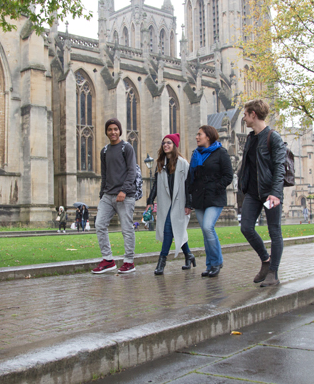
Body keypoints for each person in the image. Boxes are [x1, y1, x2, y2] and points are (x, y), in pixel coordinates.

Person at [236, 99, 286, 287]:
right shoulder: (251, 138)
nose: (244, 118)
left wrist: (275, 193)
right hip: (253, 194)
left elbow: (280, 168)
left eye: (246, 114)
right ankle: (266, 260)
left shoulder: (273, 137)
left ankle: (273, 272)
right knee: (246, 227)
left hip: (270, 194)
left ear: (253, 115)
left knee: (274, 231)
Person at [91, 118, 138, 274]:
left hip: (125, 195)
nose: (113, 132)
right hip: (108, 195)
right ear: (106, 132)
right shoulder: (104, 151)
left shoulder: (127, 148)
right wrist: (102, 192)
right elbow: (104, 174)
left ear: (120, 131)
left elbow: (132, 171)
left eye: (115, 129)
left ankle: (129, 261)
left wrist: (124, 190)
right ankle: (108, 260)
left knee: (126, 229)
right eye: (110, 129)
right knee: (99, 225)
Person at [185, 125, 233, 277]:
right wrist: (188, 200)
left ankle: (217, 262)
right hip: (199, 199)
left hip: (214, 197)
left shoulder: (221, 153)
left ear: (208, 136)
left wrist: (216, 187)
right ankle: (210, 265)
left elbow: (228, 176)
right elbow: (190, 179)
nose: (197, 137)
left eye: (199, 134)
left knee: (208, 228)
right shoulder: (195, 154)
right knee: (206, 233)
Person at [146, 133, 194, 275]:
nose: (166, 145)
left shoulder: (183, 163)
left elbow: (188, 185)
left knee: (169, 230)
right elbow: (155, 184)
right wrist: (150, 201)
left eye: (169, 143)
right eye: (164, 143)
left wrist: (189, 204)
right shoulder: (160, 163)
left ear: (174, 146)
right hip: (166, 203)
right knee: (177, 230)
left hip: (180, 204)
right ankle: (189, 255)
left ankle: (161, 262)